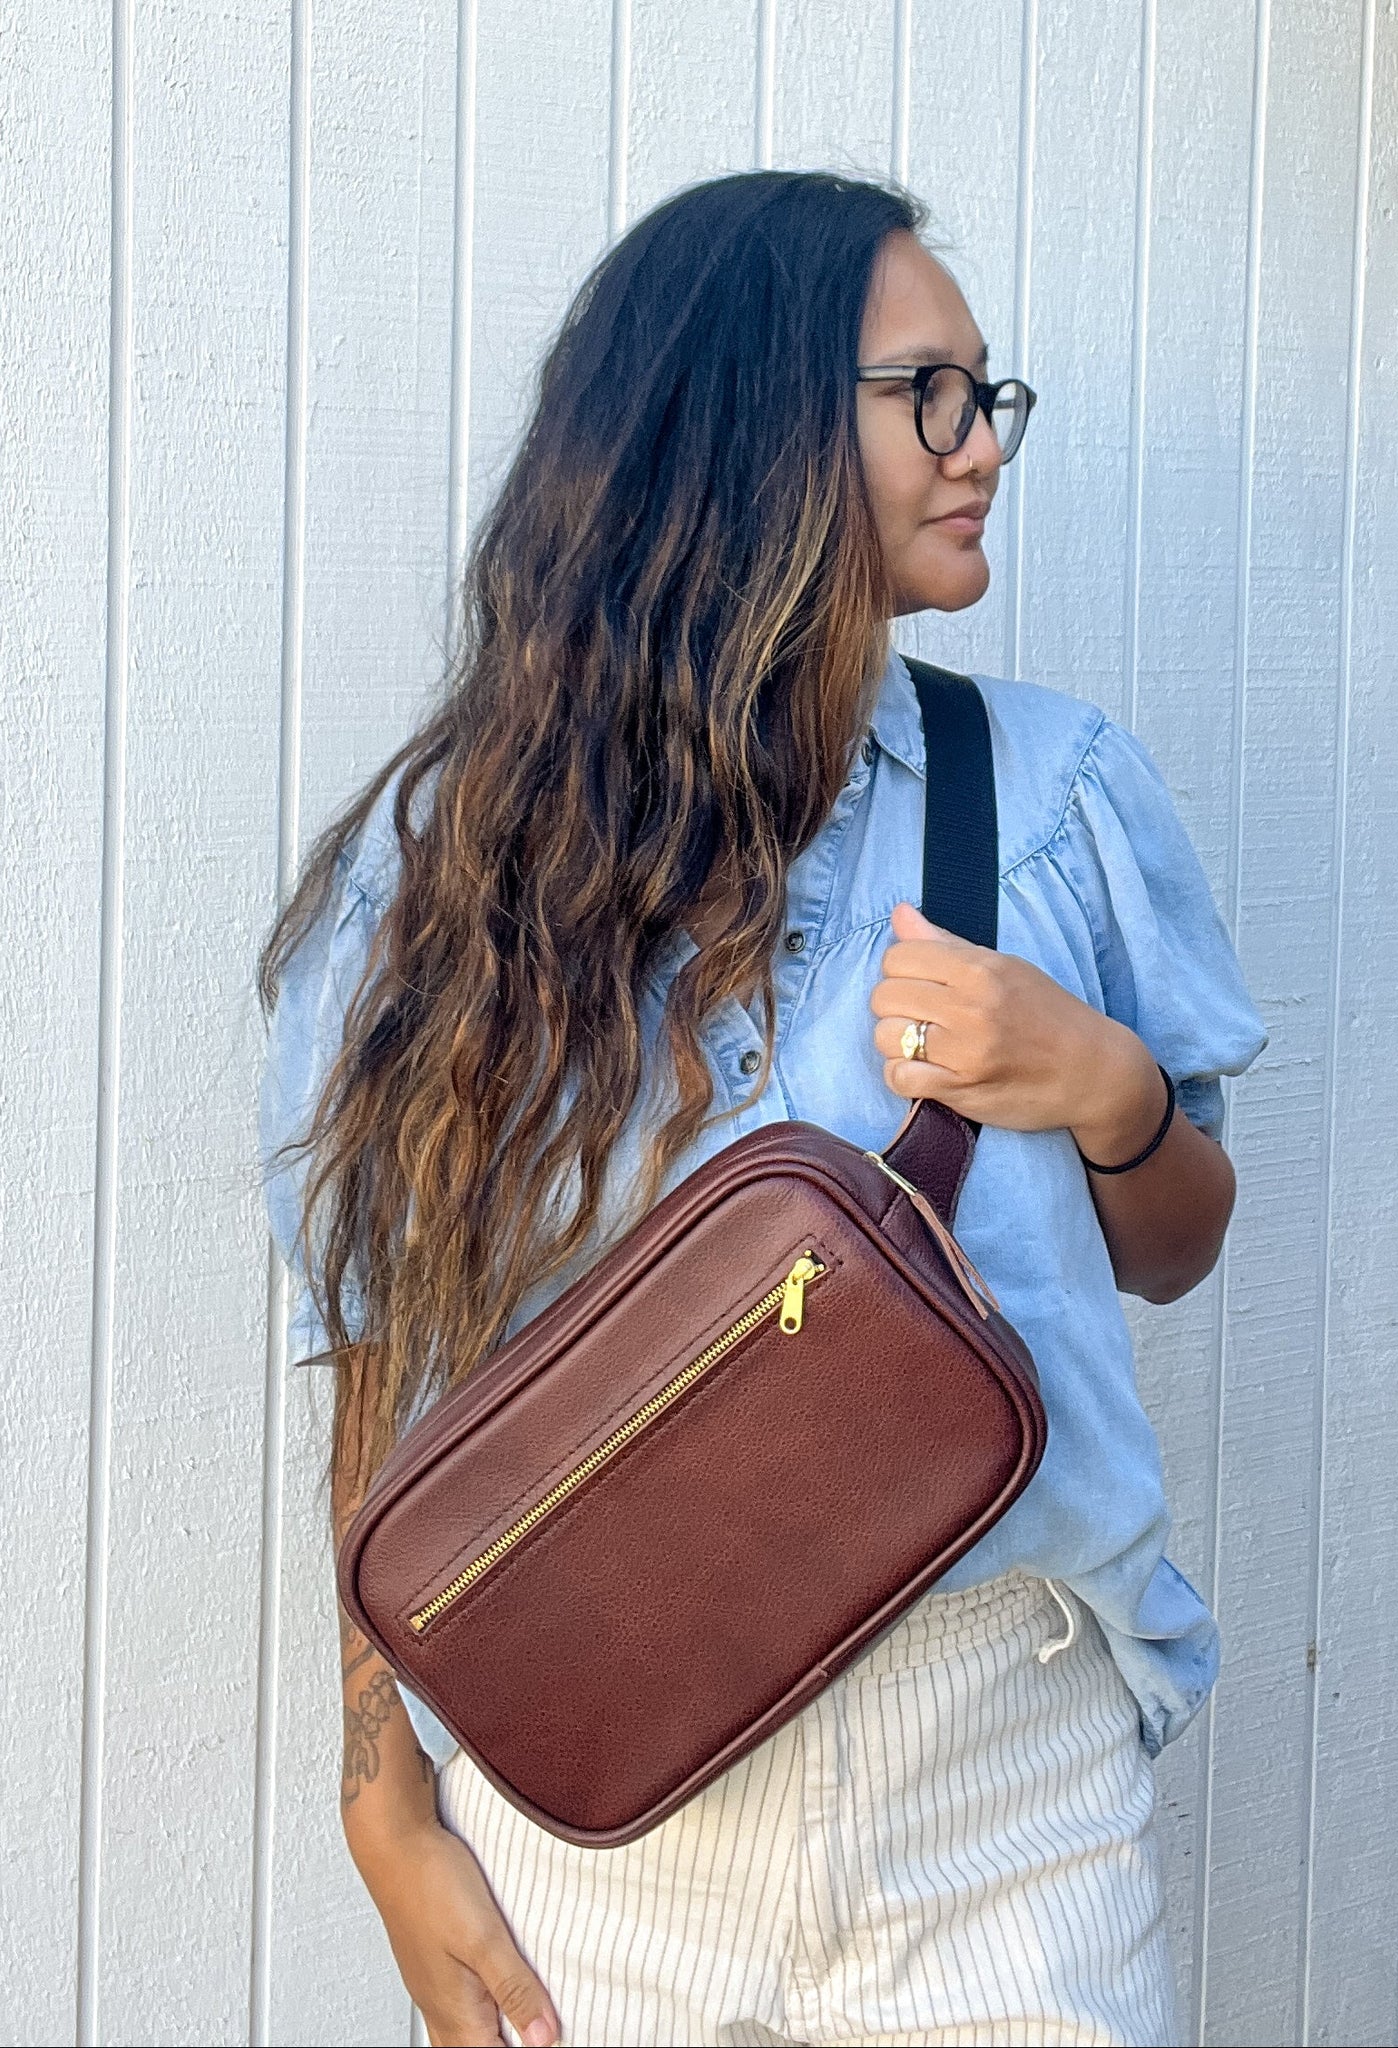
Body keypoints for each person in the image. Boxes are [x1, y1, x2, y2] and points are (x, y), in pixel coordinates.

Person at [260, 169, 1266, 2048]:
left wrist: (1112, 1089)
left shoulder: (1050, 793)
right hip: (601, 1805)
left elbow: (1178, 1247)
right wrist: (381, 1805)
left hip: (999, 1788)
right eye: (928, 394)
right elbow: (384, 1354)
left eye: (988, 394)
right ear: (746, 427)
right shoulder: (452, 873)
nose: (983, 444)